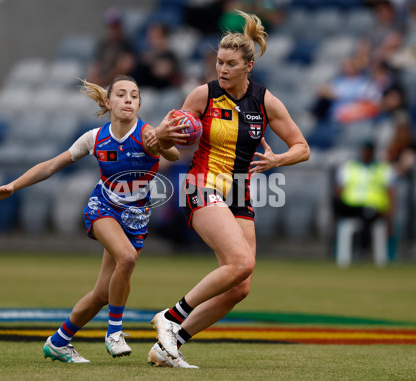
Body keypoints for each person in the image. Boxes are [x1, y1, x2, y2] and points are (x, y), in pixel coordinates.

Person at [144, 10, 310, 368]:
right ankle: (171, 317)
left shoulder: (265, 101)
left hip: (240, 193)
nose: (222, 69)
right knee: (241, 261)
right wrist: (159, 137)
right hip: (201, 184)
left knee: (240, 286)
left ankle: (168, 346)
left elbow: (303, 147)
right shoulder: (202, 96)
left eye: (231, 63)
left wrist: (278, 160)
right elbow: (168, 146)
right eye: (219, 62)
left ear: (249, 66)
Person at [0, 75, 183, 363]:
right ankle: (114, 332)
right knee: (127, 258)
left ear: (139, 104)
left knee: (102, 294)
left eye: (135, 95)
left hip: (135, 218)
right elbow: (52, 165)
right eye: (122, 94)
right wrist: (13, 185)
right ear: (108, 101)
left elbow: (174, 155)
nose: (129, 99)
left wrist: (161, 141)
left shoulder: (147, 133)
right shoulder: (95, 137)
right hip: (102, 209)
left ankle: (58, 342)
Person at [333, 140, 395, 260]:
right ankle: (344, 247)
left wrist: (389, 215)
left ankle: (363, 250)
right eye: (365, 150)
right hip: (351, 206)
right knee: (335, 203)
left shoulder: (383, 168)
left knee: (367, 214)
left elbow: (390, 192)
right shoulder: (349, 167)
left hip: (374, 208)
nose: (366, 152)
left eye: (369, 150)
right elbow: (339, 189)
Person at [86, 8, 136, 87]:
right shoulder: (102, 44)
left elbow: (122, 71)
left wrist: (102, 81)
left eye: (115, 26)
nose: (112, 30)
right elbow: (95, 65)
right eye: (110, 26)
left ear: (121, 27)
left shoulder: (127, 46)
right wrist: (93, 80)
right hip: (100, 84)